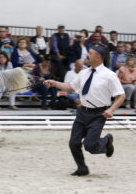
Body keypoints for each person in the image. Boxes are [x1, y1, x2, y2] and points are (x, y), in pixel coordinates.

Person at [44, 42, 125, 176]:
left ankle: (106, 141)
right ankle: (82, 168)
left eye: (91, 53)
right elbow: (71, 87)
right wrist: (54, 83)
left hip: (99, 114)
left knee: (90, 146)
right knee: (74, 143)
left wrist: (111, 110)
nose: (88, 54)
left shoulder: (109, 75)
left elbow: (121, 95)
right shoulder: (84, 72)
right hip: (82, 112)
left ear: (98, 57)